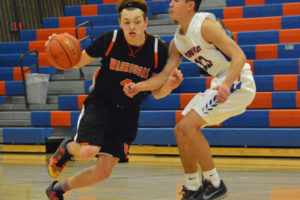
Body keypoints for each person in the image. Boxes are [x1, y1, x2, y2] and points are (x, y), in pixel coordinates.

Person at [45, 0, 183, 199]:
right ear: (119, 22)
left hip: (127, 114)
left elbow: (157, 93)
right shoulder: (110, 39)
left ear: (146, 22)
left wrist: (169, 85)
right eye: (126, 22)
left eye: (137, 21)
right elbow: (77, 62)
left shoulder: (157, 50)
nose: (132, 27)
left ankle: (58, 189)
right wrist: (56, 45)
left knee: (103, 172)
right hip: (100, 104)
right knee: (88, 151)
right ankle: (67, 147)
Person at [123, 0, 256, 199]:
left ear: (190, 5)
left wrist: (227, 84)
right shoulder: (178, 41)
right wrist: (138, 86)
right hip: (220, 82)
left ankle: (214, 183)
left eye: (176, 0)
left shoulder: (204, 25)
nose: (171, 3)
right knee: (180, 130)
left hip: (237, 80)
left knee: (187, 127)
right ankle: (193, 187)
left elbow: (239, 55)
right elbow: (163, 76)